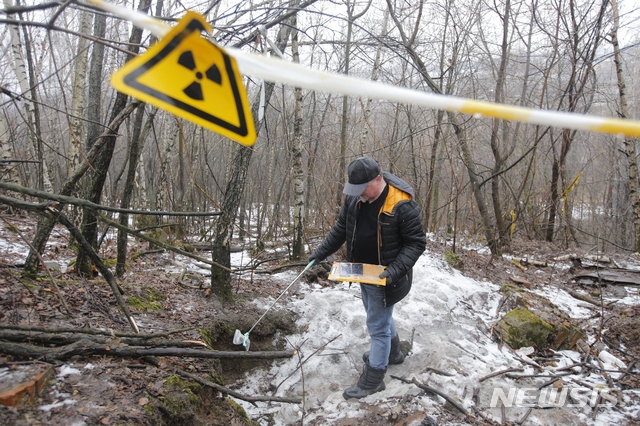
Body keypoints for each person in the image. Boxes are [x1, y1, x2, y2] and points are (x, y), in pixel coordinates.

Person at [309, 156, 426, 399]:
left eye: (363, 189)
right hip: (362, 271)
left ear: (378, 179)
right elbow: (341, 227)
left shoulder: (401, 205)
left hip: (387, 275)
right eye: (354, 189)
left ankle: (374, 378)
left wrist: (393, 272)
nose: (358, 194)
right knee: (378, 315)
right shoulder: (355, 197)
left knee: (377, 325)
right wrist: (320, 253)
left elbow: (416, 244)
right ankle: (393, 354)